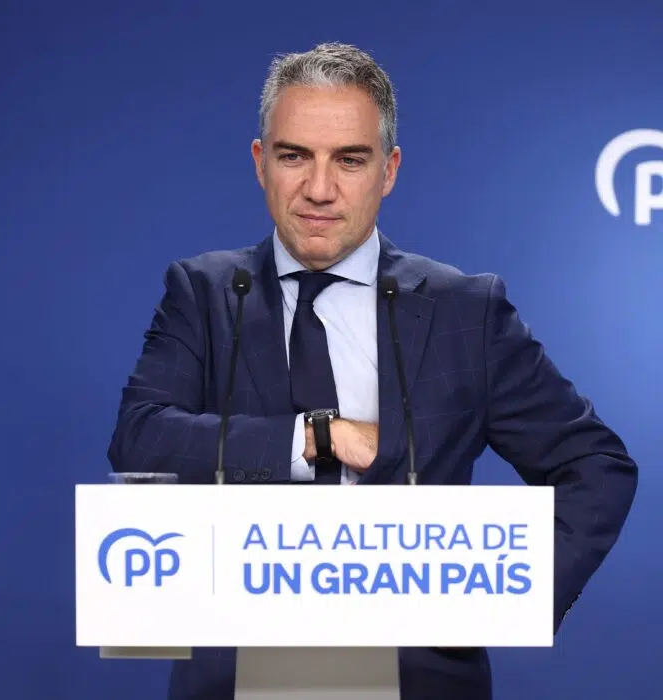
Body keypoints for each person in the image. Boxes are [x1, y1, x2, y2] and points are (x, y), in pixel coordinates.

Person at [107, 42, 638, 700]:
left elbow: (595, 466)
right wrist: (316, 436)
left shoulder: (463, 310)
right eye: (294, 156)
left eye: (350, 160)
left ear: (388, 171)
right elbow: (141, 438)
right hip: (236, 676)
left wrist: (503, 601)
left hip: (415, 678)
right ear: (260, 162)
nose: (319, 189)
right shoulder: (207, 293)